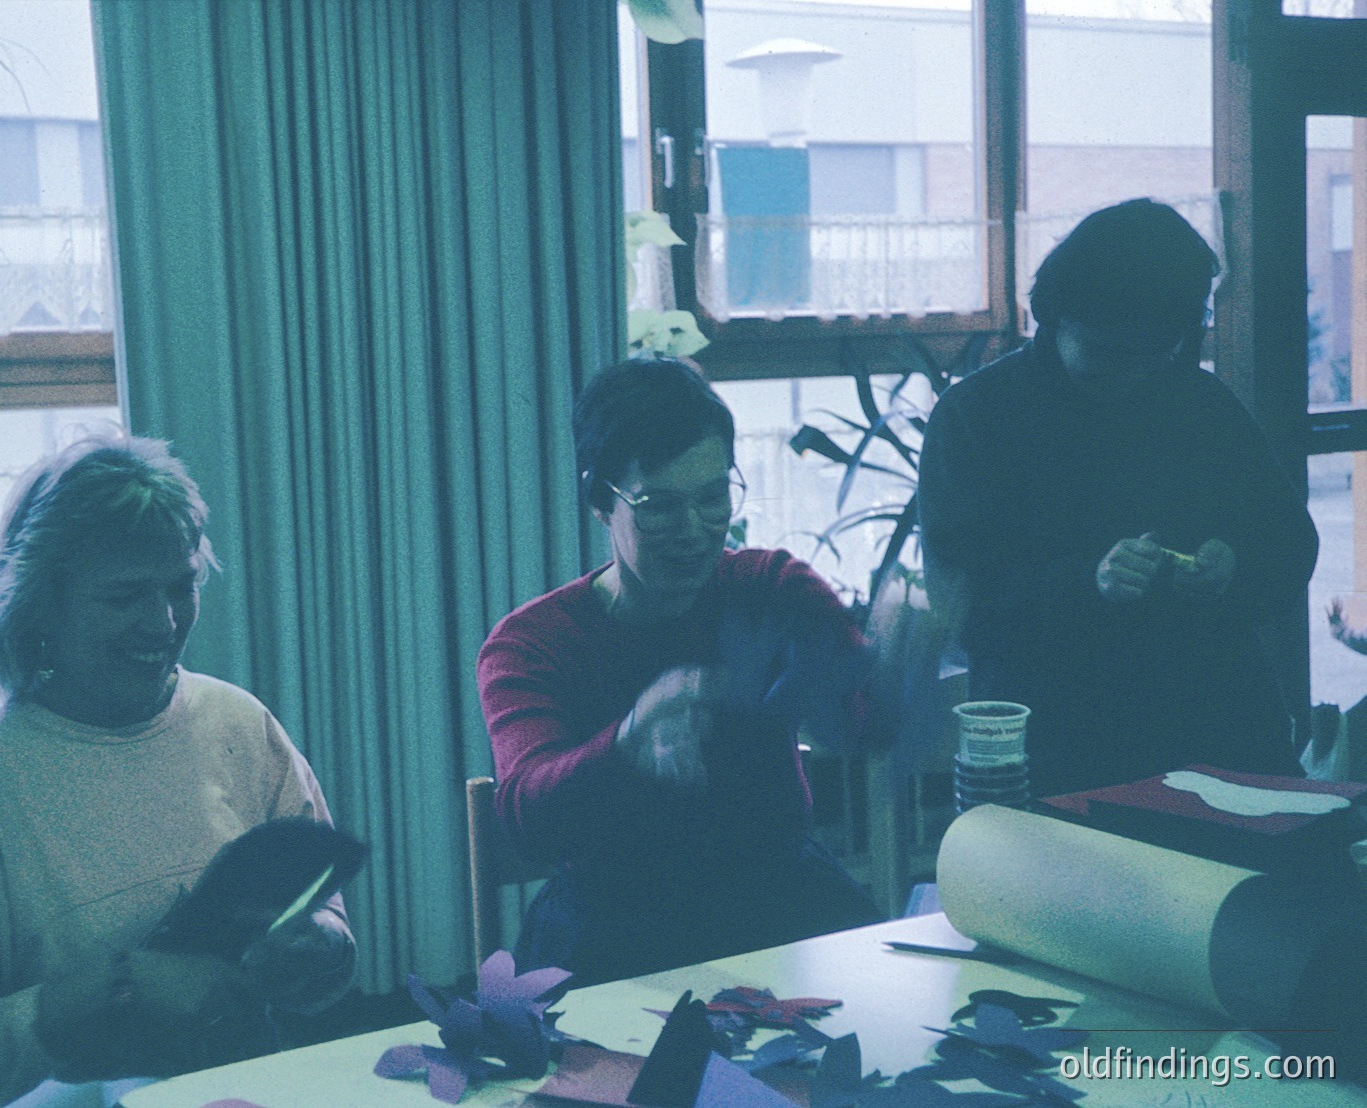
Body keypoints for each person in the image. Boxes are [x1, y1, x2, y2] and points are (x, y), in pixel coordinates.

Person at [0, 436, 356, 1108]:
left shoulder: (241, 727)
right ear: (40, 605)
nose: (162, 622)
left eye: (180, 585)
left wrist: (318, 948)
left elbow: (328, 939)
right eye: (126, 595)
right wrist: (118, 987)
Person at [477, 358, 880, 986]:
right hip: (613, 927)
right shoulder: (531, 644)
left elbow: (864, 723)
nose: (695, 531)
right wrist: (627, 738)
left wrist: (888, 670)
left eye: (712, 496)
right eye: (659, 506)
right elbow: (527, 816)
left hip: (780, 903)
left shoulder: (770, 586)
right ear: (600, 502)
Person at [918, 199, 1318, 798]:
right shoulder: (977, 419)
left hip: (1221, 729)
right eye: (1108, 350)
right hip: (1065, 744)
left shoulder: (1200, 402)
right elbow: (963, 606)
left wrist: (1235, 565)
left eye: (1159, 347)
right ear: (1052, 317)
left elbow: (1290, 544)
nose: (1135, 370)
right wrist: (1090, 583)